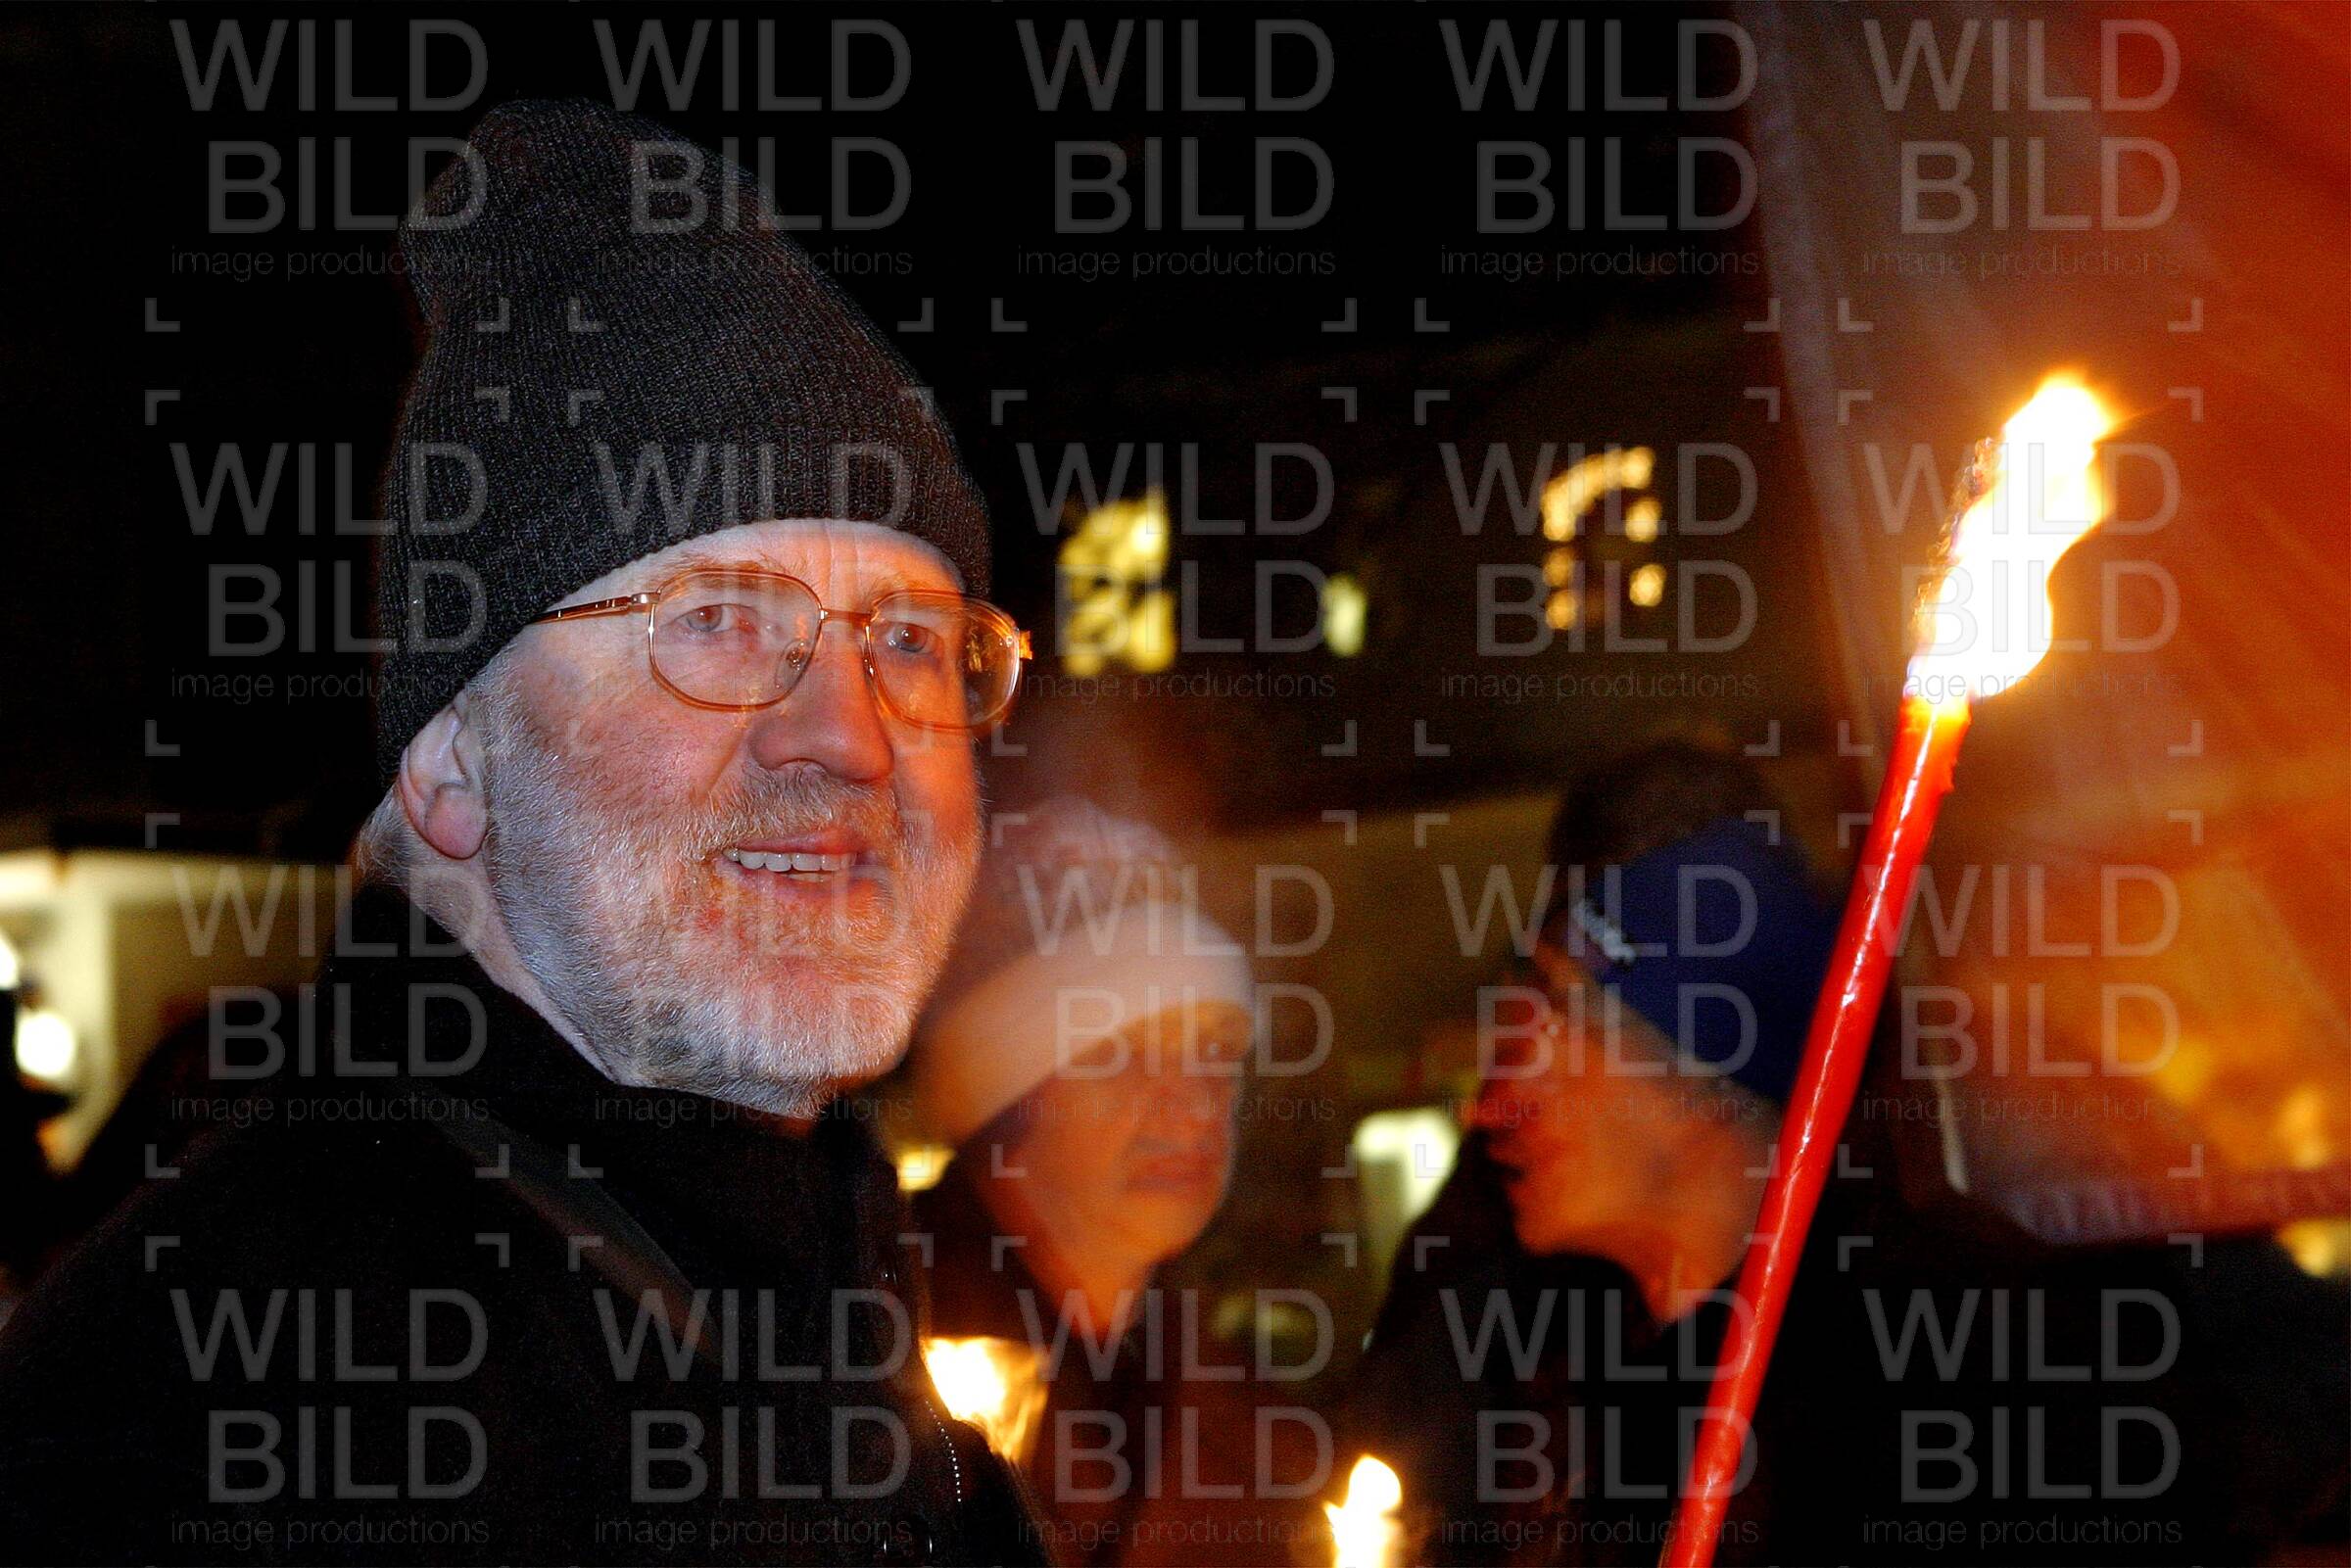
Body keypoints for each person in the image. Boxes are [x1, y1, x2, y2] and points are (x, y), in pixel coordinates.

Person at [0, 100, 1040, 1566]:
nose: (852, 735)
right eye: (719, 622)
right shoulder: (202, 1419)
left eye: (913, 641)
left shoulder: (834, 1328)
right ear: (452, 767)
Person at [899, 799, 1326, 1566]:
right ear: (1012, 1089)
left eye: (1216, 1053)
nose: (1193, 1104)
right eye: (1126, 1052)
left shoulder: (1264, 1437)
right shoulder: (862, 1355)